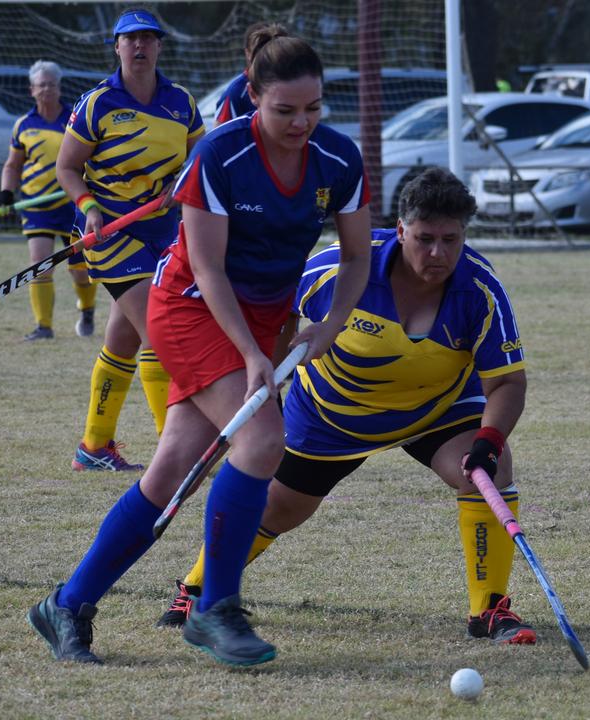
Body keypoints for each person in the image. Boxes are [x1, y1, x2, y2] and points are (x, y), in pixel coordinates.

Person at [27, 24, 372, 666]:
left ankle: (67, 605)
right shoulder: (220, 154)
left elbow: (356, 257)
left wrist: (327, 324)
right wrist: (250, 353)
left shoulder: (340, 158)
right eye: (284, 110)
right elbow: (208, 271)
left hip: (265, 315)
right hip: (192, 308)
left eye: (314, 108)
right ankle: (215, 608)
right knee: (264, 440)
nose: (302, 124)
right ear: (252, 95)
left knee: (172, 469)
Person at [155, 167, 538, 647]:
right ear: (400, 231)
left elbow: (507, 383)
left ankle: (489, 609)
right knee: (279, 507)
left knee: (490, 468)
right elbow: (275, 317)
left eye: (450, 240)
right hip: (331, 416)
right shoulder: (334, 270)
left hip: (435, 410)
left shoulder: (480, 290)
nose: (437, 253)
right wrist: (265, 387)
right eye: (424, 239)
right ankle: (196, 589)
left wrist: (488, 441)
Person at [56, 9, 203, 471]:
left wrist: (179, 186)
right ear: (115, 46)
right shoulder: (98, 103)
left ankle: (93, 448)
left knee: (123, 340)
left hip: (163, 233)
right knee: (159, 332)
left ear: (159, 46)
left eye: (147, 39)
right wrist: (90, 209)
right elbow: (67, 167)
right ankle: (173, 451)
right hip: (111, 234)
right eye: (129, 39)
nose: (139, 46)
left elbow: (201, 157)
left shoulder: (181, 102)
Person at [0, 60, 98, 342]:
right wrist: (7, 192)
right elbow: (12, 165)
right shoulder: (23, 125)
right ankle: (44, 327)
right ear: (32, 90)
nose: (46, 89)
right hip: (36, 205)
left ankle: (87, 308)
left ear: (59, 87)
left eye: (51, 84)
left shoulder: (74, 120)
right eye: (41, 85)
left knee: (80, 270)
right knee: (39, 262)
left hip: (72, 204)